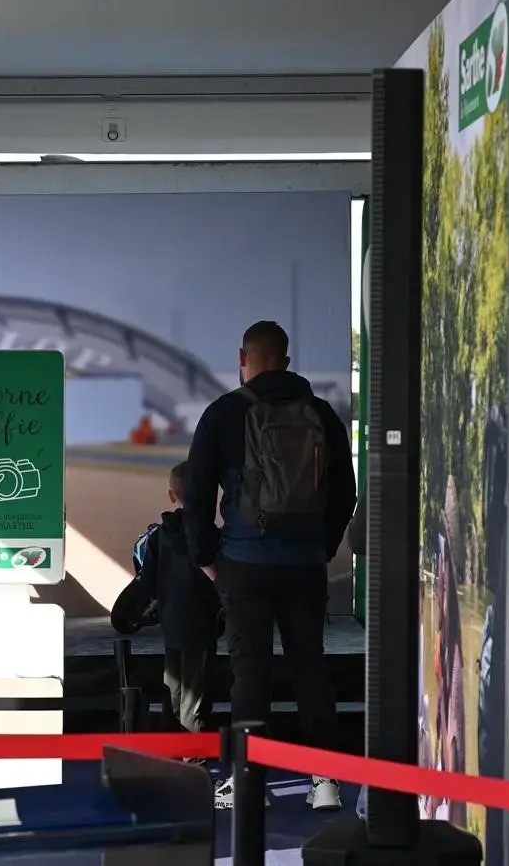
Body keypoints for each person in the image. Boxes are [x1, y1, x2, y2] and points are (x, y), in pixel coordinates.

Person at [181, 320, 356, 811]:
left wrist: (207, 558)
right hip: (303, 565)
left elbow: (195, 495)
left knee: (249, 672)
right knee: (311, 668)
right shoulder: (321, 415)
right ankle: (326, 781)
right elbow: (346, 493)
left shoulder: (223, 414)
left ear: (244, 359)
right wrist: (319, 547)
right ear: (287, 359)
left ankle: (247, 780)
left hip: (243, 564)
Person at [137, 462, 222, 740]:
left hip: (172, 622)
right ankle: (193, 763)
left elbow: (146, 581)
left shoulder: (160, 536)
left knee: (171, 691)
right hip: (203, 624)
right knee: (194, 697)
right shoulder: (214, 536)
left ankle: (171, 756)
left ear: (172, 495)